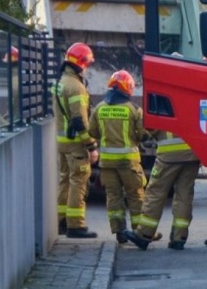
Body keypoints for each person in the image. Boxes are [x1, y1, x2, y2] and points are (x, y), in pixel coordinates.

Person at [87, 70, 147, 244]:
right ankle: (139, 232)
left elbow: (92, 132)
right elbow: (143, 134)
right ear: (127, 87)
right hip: (129, 162)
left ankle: (120, 232)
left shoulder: (99, 108)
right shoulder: (134, 109)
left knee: (113, 196)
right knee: (135, 195)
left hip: (107, 163)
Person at [122, 131, 200, 250]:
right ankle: (179, 238)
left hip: (168, 155)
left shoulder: (166, 110)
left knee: (155, 193)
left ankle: (144, 235)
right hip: (192, 154)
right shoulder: (193, 110)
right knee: (184, 195)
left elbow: (152, 127)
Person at [52, 43, 99, 238]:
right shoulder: (76, 87)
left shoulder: (60, 81)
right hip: (75, 145)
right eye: (86, 63)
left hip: (61, 143)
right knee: (78, 181)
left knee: (64, 181)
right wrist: (91, 146)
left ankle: (61, 222)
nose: (87, 67)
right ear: (81, 62)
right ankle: (75, 225)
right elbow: (80, 121)